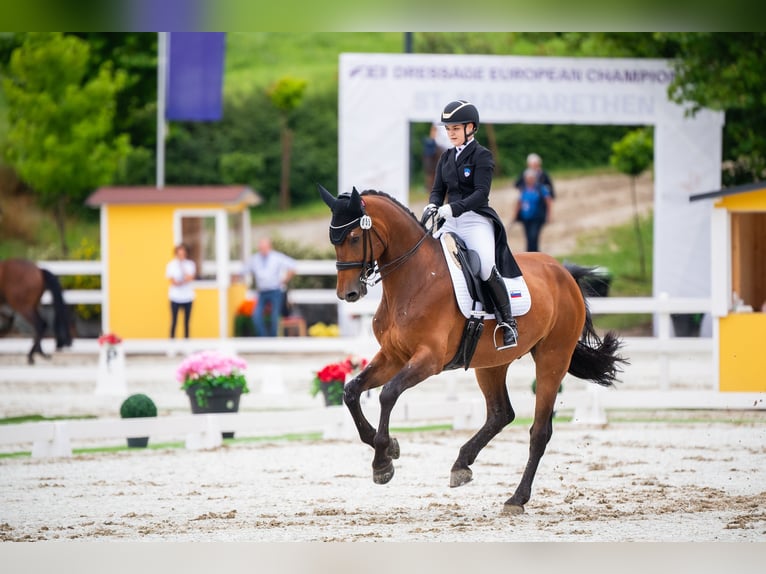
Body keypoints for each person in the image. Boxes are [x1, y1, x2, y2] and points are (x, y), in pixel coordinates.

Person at [422, 100, 523, 349]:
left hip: (475, 219)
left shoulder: (482, 156)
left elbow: (480, 194)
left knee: (486, 266)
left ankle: (508, 322)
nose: (451, 133)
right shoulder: (445, 158)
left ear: (471, 127)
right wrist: (433, 205)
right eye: (448, 129)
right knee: (426, 257)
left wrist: (450, 208)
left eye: (455, 128)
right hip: (449, 221)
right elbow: (437, 191)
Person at [243, 237, 297, 337]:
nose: (262, 249)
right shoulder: (255, 259)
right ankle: (263, 339)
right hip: (262, 292)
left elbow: (292, 265)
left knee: (274, 316)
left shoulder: (277, 257)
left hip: (275, 291)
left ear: (269, 247)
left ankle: (272, 340)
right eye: (261, 247)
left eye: (264, 247)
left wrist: (285, 280)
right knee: (256, 316)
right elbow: (243, 270)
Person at [515, 168, 553, 252]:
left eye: (531, 178)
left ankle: (535, 252)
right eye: (528, 178)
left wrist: (549, 215)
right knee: (528, 237)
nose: (529, 180)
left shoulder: (540, 188)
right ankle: (529, 253)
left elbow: (548, 201)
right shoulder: (523, 189)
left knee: (534, 235)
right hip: (526, 217)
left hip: (537, 217)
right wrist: (515, 215)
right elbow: (519, 202)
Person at [166, 243, 196, 339]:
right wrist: (180, 281)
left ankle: (186, 343)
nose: (181, 256)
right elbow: (172, 280)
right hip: (175, 297)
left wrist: (182, 267)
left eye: (182, 253)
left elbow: (190, 277)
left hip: (187, 297)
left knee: (186, 322)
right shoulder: (171, 265)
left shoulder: (190, 264)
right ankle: (172, 343)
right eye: (179, 254)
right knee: (174, 321)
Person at [423, 123, 449, 192]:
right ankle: (429, 179)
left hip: (449, 146)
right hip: (438, 146)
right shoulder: (438, 119)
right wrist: (432, 140)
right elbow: (433, 130)